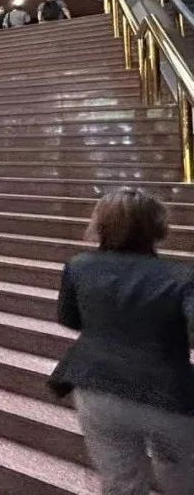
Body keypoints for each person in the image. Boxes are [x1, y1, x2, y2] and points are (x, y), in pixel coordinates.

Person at [49, 189, 194, 494]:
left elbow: (69, 318)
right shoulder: (181, 277)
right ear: (158, 227)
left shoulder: (79, 266)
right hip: (169, 395)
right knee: (181, 474)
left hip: (97, 389)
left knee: (121, 482)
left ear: (99, 225)